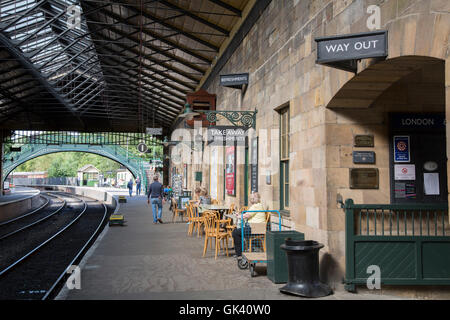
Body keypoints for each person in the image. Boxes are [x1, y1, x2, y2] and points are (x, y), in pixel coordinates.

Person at [231, 192, 265, 259]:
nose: (250, 200)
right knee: (237, 231)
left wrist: (238, 216)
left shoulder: (255, 206)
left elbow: (247, 215)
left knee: (235, 232)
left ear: (253, 199)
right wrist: (241, 215)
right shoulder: (259, 205)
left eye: (251, 198)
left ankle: (239, 254)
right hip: (256, 227)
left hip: (255, 229)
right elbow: (248, 214)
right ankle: (241, 251)